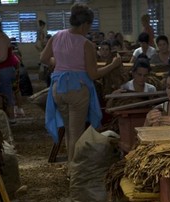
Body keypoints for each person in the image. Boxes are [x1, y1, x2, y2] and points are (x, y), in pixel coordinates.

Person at [41, 3, 122, 163]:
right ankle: (74, 169)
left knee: (69, 129)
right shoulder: (86, 44)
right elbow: (93, 74)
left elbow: (43, 58)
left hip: (58, 89)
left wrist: (58, 62)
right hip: (77, 89)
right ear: (85, 24)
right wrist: (113, 65)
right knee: (76, 131)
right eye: (89, 25)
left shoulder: (57, 36)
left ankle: (71, 167)